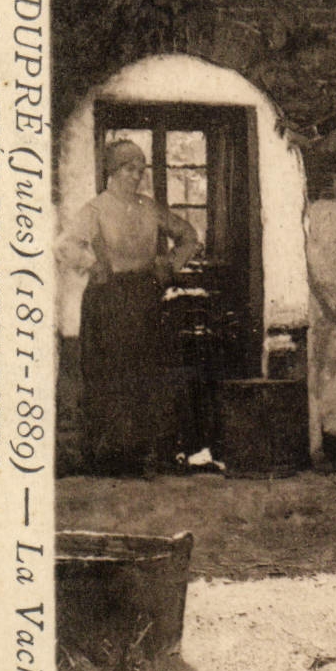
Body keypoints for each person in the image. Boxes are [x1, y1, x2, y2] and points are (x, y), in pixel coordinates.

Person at [57, 139, 202, 475]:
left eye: (140, 170)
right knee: (110, 378)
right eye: (129, 169)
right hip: (107, 303)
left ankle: (142, 455)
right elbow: (64, 246)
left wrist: (169, 265)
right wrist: (93, 265)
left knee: (145, 376)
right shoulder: (96, 209)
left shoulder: (149, 208)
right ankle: (110, 459)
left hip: (145, 299)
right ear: (112, 171)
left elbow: (188, 235)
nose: (137, 176)